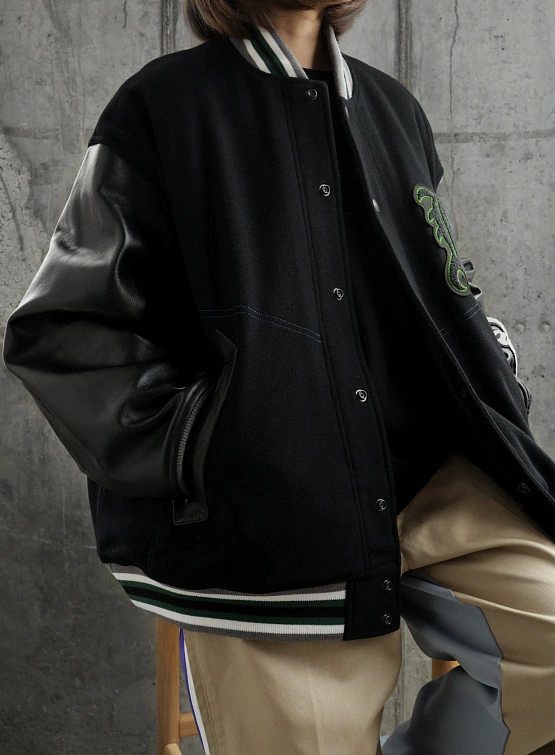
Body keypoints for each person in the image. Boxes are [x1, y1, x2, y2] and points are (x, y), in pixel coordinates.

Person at [3, 0, 555, 752]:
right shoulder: (163, 104)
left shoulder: (393, 109)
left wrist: (492, 362)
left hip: (434, 482)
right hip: (269, 515)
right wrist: (209, 443)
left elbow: (437, 287)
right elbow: (64, 330)